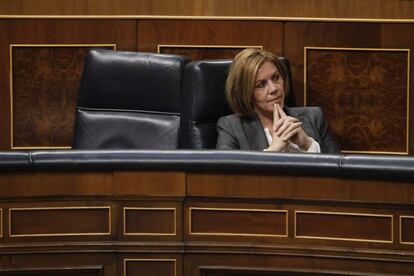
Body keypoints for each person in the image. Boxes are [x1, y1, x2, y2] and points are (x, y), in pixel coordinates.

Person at [216, 48, 340, 154]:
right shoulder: (231, 127)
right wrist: (273, 151)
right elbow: (226, 178)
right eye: (261, 85)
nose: (274, 88)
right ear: (246, 93)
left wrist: (307, 144)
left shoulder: (314, 117)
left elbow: (338, 173)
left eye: (276, 78)